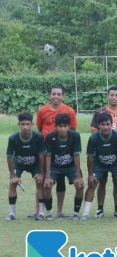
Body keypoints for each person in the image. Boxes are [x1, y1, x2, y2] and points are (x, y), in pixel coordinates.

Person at [90, 86, 117, 218]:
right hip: (101, 153)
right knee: (101, 181)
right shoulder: (100, 112)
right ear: (107, 96)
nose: (114, 97)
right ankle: (100, 209)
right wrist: (103, 141)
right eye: (112, 95)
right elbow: (93, 130)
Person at [36, 85, 77, 219]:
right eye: (54, 94)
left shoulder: (69, 111)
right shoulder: (42, 110)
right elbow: (40, 128)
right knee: (42, 179)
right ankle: (40, 211)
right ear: (50, 95)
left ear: (62, 96)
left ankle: (59, 211)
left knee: (61, 181)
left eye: (59, 94)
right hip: (46, 150)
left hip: (63, 151)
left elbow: (73, 130)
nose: (56, 97)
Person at [82, 112, 117, 220]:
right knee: (94, 183)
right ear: (98, 126)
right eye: (102, 124)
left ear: (111, 124)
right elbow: (90, 157)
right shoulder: (93, 138)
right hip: (99, 163)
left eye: (108, 124)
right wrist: (90, 174)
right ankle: (88, 212)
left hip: (116, 163)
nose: (105, 127)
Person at [5, 113, 47, 221]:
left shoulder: (38, 136)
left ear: (32, 124)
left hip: (35, 164)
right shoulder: (13, 138)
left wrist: (42, 173)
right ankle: (12, 213)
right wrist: (13, 176)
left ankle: (41, 213)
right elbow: (9, 157)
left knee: (40, 182)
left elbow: (42, 155)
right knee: (12, 183)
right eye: (22, 124)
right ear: (18, 125)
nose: (25, 127)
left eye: (27, 124)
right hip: (18, 164)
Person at [43, 113, 84, 220]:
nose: (62, 129)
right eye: (60, 126)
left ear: (69, 126)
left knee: (79, 185)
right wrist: (47, 177)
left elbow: (76, 155)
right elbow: (48, 156)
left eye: (65, 126)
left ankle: (76, 213)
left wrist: (79, 176)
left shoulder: (75, 136)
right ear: (56, 126)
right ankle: (49, 212)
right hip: (55, 167)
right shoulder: (50, 136)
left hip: (70, 167)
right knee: (47, 185)